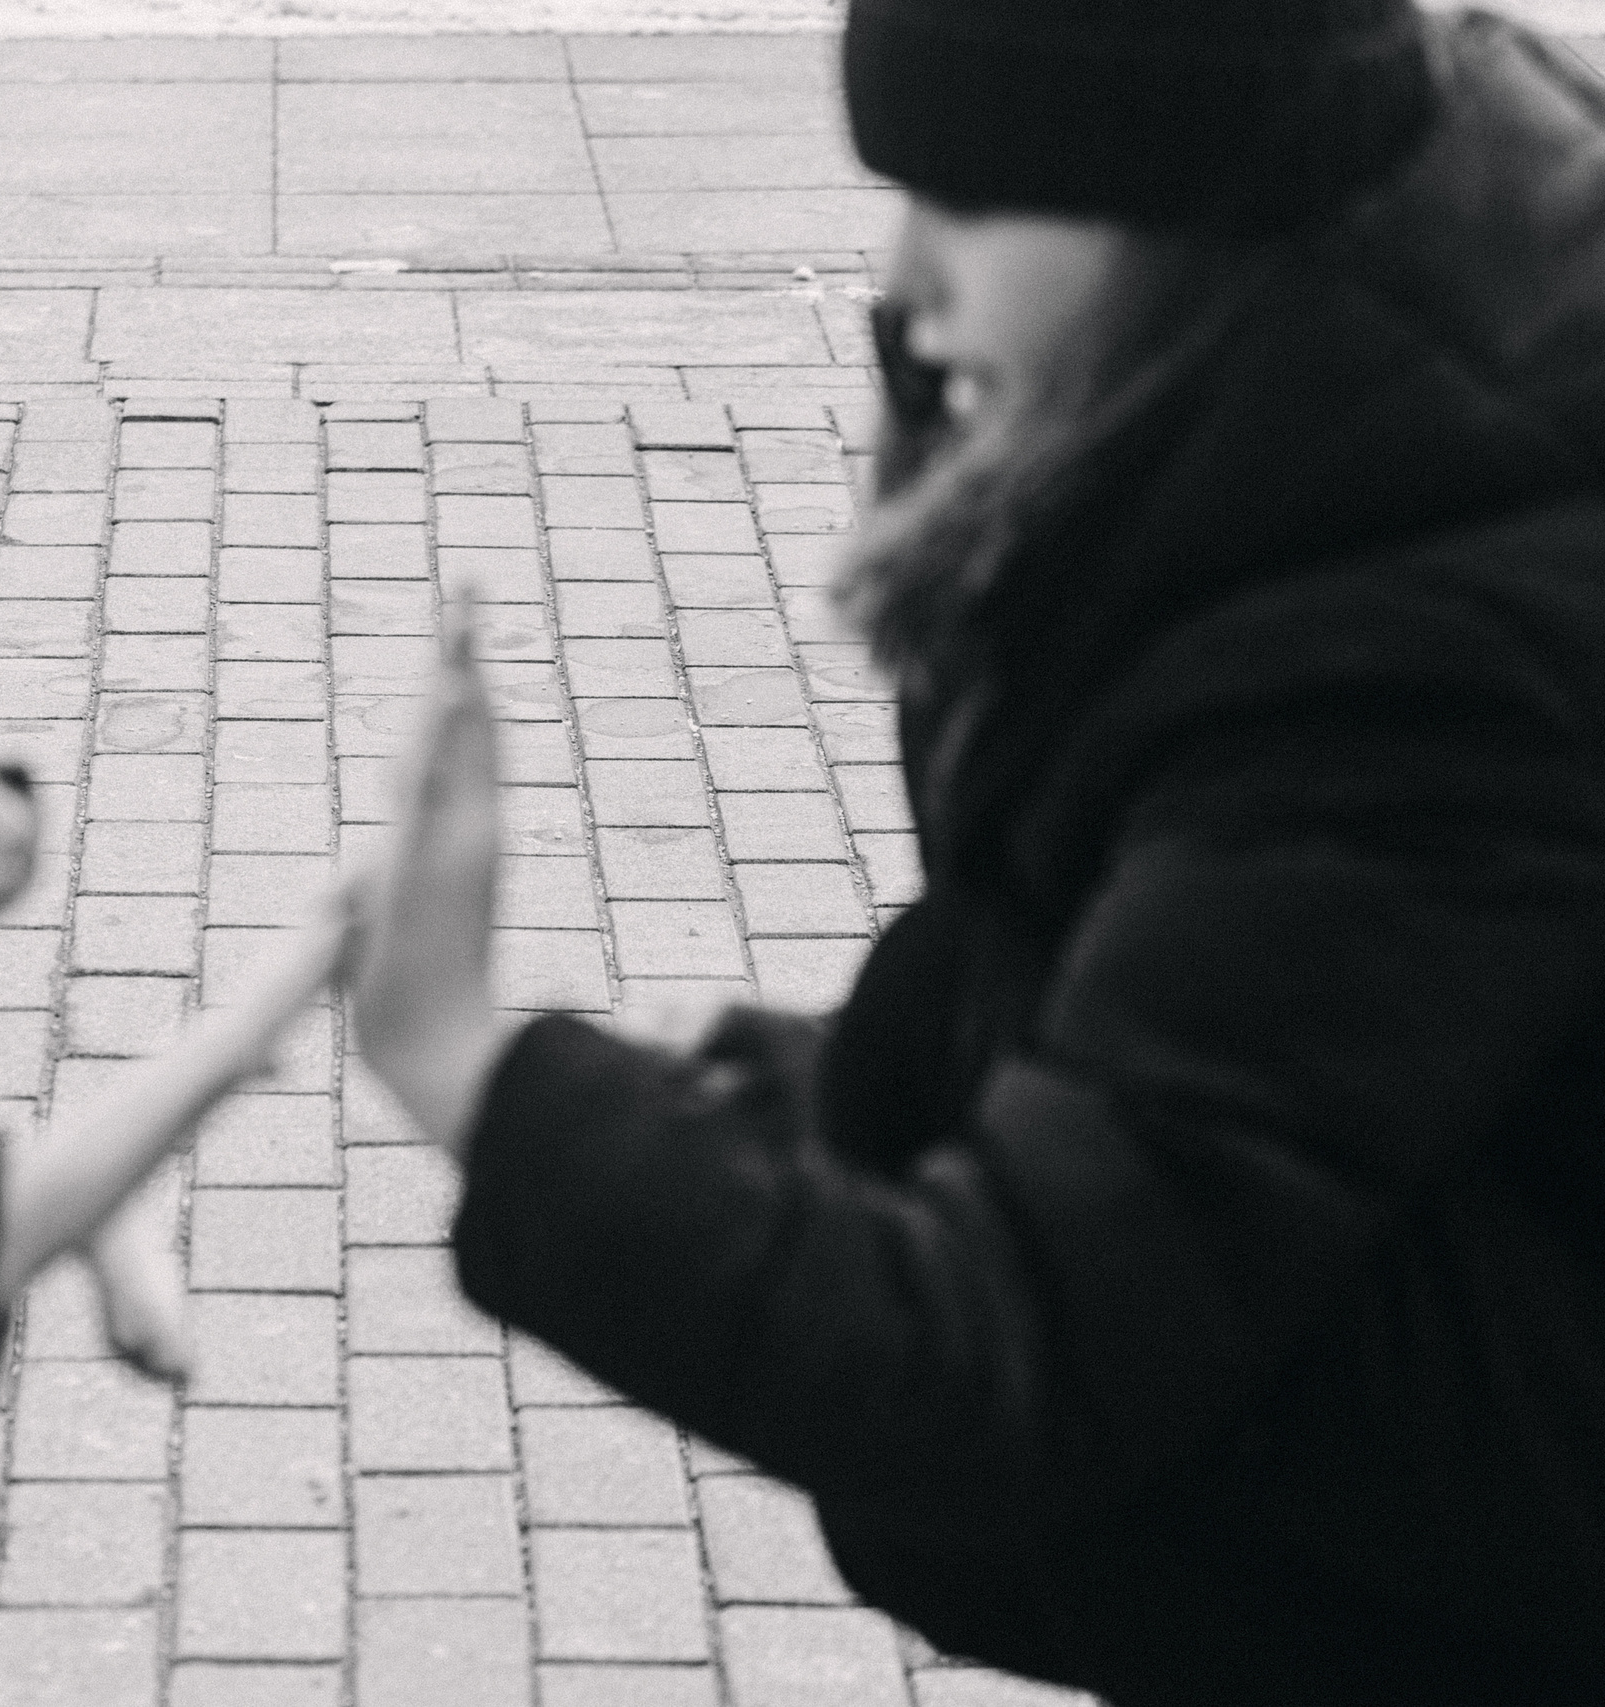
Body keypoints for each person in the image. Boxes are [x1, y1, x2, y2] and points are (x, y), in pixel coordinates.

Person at [343, 5, 1605, 1704]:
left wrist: (476, 1079)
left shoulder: (1406, 662)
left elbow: (1006, 1368)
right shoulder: (1383, 296)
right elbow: (1235, 1097)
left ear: (1177, 208)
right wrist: (792, 1111)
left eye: (973, 202)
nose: (907, 284)